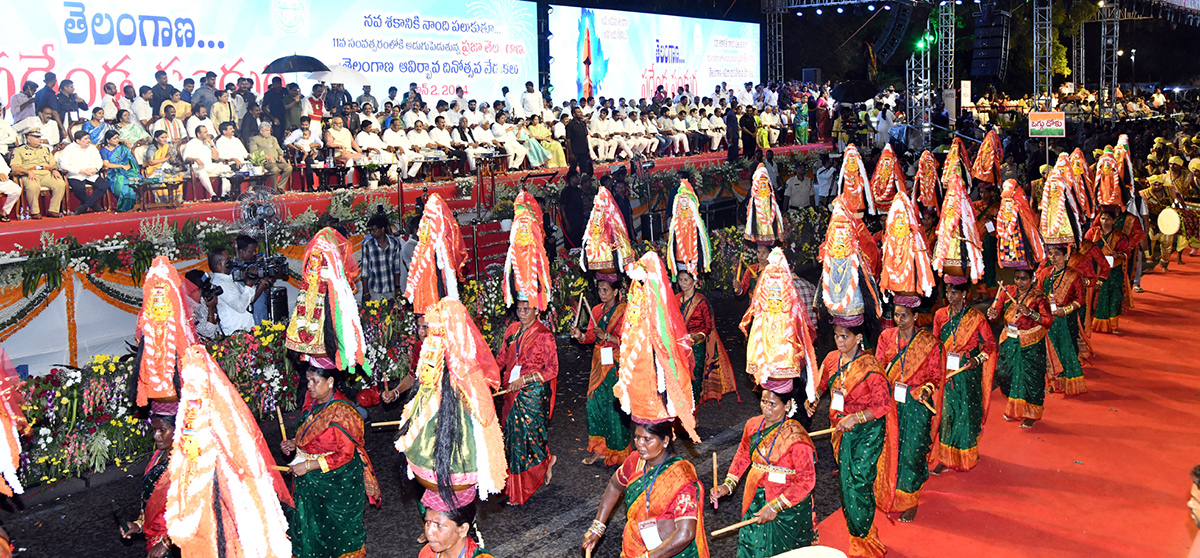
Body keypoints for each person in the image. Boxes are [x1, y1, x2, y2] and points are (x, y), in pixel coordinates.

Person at [809, 323, 895, 558]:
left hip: (867, 431)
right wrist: (813, 400)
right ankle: (859, 536)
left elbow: (883, 405)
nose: (839, 341)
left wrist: (855, 418)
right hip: (840, 428)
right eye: (836, 336)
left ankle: (865, 541)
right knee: (847, 484)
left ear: (858, 338)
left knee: (859, 482)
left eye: (844, 337)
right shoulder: (831, 359)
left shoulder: (871, 367)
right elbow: (822, 384)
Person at [280, 365, 381, 558]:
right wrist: (294, 444)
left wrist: (308, 466)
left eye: (314, 381)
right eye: (308, 381)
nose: (309, 386)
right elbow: (311, 435)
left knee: (339, 537)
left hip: (338, 482)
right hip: (311, 478)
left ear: (331, 382)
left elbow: (344, 455)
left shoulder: (342, 412)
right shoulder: (314, 402)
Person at [711, 382, 817, 556]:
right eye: (763, 402)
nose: (766, 409)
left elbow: (806, 481)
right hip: (755, 497)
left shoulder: (797, 438)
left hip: (787, 507)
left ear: (788, 405)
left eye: (773, 404)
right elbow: (743, 455)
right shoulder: (753, 425)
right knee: (751, 547)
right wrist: (728, 485)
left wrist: (775, 506)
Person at [582, 420, 709, 558]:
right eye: (637, 437)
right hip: (634, 546)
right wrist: (597, 528)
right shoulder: (635, 461)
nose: (639, 444)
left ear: (665, 440)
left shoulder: (681, 477)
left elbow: (686, 533)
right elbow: (615, 486)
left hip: (670, 552)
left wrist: (649, 557)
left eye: (647, 439)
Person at [875, 300, 942, 522]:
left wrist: (926, 390)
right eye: (896, 315)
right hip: (890, 403)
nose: (899, 320)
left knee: (911, 452)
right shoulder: (886, 338)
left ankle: (910, 501)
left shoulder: (929, 342)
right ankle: (888, 492)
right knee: (889, 449)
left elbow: (935, 376)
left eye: (904, 315)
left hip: (915, 404)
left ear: (915, 317)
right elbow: (877, 367)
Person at [495, 296, 559, 505]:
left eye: (526, 310)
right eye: (519, 310)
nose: (522, 314)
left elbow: (552, 369)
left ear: (536, 311)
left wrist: (525, 379)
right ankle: (517, 484)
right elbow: (502, 359)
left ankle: (524, 488)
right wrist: (489, 379)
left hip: (531, 394)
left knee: (528, 439)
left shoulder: (544, 335)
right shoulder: (512, 331)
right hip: (511, 392)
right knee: (513, 440)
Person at [571, 274, 630, 466]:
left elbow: (629, 340)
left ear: (616, 292)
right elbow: (590, 337)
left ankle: (619, 453)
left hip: (615, 363)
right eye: (600, 290)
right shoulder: (596, 310)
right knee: (593, 406)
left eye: (606, 290)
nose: (602, 293)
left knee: (614, 407)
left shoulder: (624, 311)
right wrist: (580, 335)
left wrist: (607, 336)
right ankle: (599, 449)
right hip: (598, 365)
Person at [987, 268, 1054, 429]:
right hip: (1009, 341)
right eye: (1016, 278)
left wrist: (1030, 313)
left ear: (1032, 279)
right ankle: (1014, 407)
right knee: (1005, 375)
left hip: (1031, 343)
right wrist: (992, 314)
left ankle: (1031, 414)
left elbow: (1047, 321)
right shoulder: (1007, 291)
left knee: (1031, 380)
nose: (1019, 282)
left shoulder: (1039, 297)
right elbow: (996, 313)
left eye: (1024, 278)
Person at [119, 402, 177, 558]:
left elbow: (194, 512)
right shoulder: (157, 457)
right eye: (154, 430)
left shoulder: (188, 465)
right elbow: (150, 503)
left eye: (162, 430)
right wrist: (138, 525)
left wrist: (166, 543)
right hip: (154, 542)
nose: (156, 436)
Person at [1039, 244, 1087, 395]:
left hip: (1066, 319)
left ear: (1066, 257)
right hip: (1048, 319)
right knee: (1048, 350)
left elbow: (1080, 300)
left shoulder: (1074, 275)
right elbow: (1038, 295)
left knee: (1065, 349)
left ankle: (1066, 381)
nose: (1053, 257)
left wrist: (1064, 310)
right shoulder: (1045, 273)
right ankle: (1050, 382)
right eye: (1051, 254)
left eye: (1057, 254)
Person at [1086, 209, 1131, 334]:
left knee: (1114, 296)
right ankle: (1092, 323)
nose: (1105, 222)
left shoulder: (1119, 236)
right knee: (1095, 296)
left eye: (1108, 219)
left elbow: (1127, 254)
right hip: (1095, 270)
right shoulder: (1093, 232)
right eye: (1103, 218)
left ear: (1114, 221)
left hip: (1113, 271)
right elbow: (1084, 248)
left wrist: (1118, 255)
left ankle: (1113, 325)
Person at [207, 246, 267, 334]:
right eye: (228, 259)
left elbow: (248, 300)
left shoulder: (229, 279)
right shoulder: (221, 283)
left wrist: (256, 282)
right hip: (236, 335)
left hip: (245, 332)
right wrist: (248, 284)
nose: (231, 261)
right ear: (220, 263)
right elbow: (241, 307)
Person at [8, 131, 66, 219]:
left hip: (46, 174)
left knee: (60, 183)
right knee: (33, 186)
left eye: (39, 137)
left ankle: (53, 210)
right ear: (28, 139)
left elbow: (52, 163)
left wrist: (54, 170)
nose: (39, 139)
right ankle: (35, 212)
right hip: (30, 174)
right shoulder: (19, 151)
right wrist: (27, 171)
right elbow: (15, 167)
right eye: (36, 137)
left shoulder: (45, 149)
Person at [58, 131, 112, 215]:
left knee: (104, 186)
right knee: (79, 188)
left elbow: (99, 161)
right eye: (85, 139)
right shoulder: (69, 149)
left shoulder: (92, 148)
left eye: (89, 138)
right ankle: (93, 205)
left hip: (91, 174)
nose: (89, 141)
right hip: (76, 174)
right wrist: (80, 171)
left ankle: (84, 206)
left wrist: (95, 169)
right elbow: (63, 165)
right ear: (78, 141)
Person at [419, 502, 495, 558]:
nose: (429, 532)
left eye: (439, 525)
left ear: (463, 529)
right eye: (428, 522)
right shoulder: (426, 552)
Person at [360, 213, 406, 301]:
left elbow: (396, 268)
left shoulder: (394, 243)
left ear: (382, 229)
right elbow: (365, 271)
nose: (372, 233)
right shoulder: (368, 245)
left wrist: (397, 288)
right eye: (370, 230)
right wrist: (365, 292)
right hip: (375, 289)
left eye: (374, 230)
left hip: (390, 289)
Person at [97, 130, 139, 212]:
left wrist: (128, 167)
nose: (117, 140)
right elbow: (106, 164)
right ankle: (126, 208)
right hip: (113, 173)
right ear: (108, 140)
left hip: (128, 172)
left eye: (118, 138)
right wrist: (121, 166)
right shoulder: (103, 151)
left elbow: (130, 161)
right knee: (124, 187)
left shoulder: (122, 148)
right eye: (114, 138)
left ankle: (138, 206)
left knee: (137, 183)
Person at [248, 122, 292, 190]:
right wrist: (264, 156)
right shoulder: (254, 139)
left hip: (276, 160)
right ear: (261, 131)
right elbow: (253, 152)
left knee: (288, 167)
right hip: (265, 162)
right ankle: (274, 189)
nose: (269, 132)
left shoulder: (273, 138)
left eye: (269, 130)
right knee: (274, 169)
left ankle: (279, 187)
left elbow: (279, 149)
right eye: (267, 130)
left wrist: (280, 155)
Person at [565, 106, 593, 176]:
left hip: (583, 150)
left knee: (584, 169)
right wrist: (571, 153)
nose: (581, 114)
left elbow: (585, 136)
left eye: (581, 112)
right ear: (574, 114)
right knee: (573, 169)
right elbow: (568, 139)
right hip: (575, 151)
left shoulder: (583, 123)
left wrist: (588, 149)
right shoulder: (570, 125)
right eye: (578, 112)